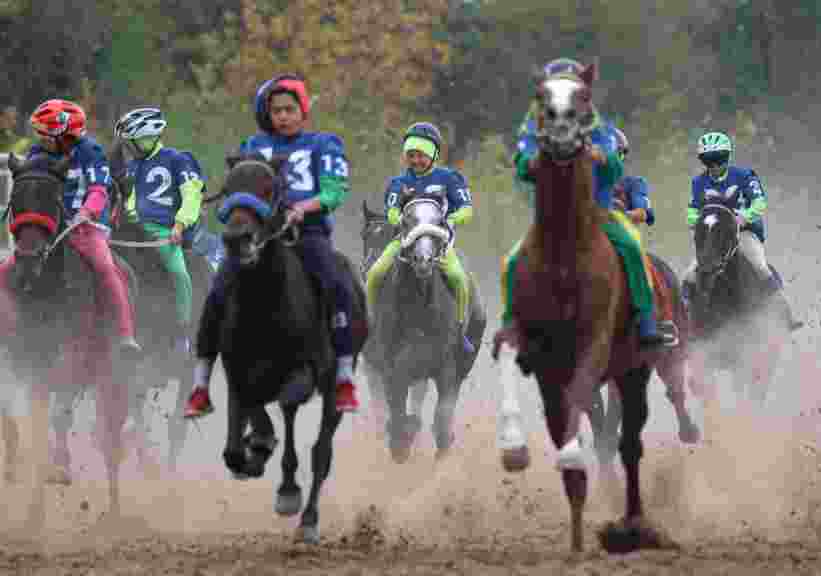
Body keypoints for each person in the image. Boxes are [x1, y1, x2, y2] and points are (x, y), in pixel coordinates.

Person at [184, 74, 358, 418]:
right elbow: (239, 187)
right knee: (218, 292)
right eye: (276, 110)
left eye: (289, 109)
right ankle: (201, 384)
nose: (282, 116)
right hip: (259, 237)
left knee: (339, 284)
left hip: (307, 233)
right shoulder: (253, 146)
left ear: (303, 111)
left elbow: (334, 191)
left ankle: (344, 378)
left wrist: (301, 209)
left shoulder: (324, 145)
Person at [500, 57, 678, 350]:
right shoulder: (534, 127)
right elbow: (521, 163)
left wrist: (602, 157)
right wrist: (530, 162)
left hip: (600, 214)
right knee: (512, 261)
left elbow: (614, 168)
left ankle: (646, 322)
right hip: (551, 218)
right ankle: (511, 324)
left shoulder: (598, 127)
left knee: (632, 249)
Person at [6, 99, 142, 354]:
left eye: (45, 133)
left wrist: (85, 212)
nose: (40, 139)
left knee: (105, 267)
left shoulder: (91, 152)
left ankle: (125, 335)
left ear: (65, 134)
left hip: (87, 227)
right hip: (49, 225)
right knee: (7, 268)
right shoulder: (38, 153)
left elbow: (99, 191)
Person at [364, 122, 475, 352]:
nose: (415, 160)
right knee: (375, 272)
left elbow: (466, 209)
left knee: (459, 278)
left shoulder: (450, 179)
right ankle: (370, 326)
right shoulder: (398, 183)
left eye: (421, 155)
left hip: (439, 242)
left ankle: (460, 330)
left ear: (434, 154)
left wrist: (452, 219)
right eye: (411, 155)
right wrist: (398, 220)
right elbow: (392, 211)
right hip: (404, 240)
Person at [683, 131, 800, 328]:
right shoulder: (698, 182)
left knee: (759, 265)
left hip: (743, 231)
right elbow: (693, 210)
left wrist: (743, 218)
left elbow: (760, 203)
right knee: (690, 272)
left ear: (726, 157)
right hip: (713, 235)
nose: (714, 165)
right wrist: (696, 221)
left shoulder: (745, 176)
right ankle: (683, 313)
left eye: (718, 159)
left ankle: (783, 310)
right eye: (708, 160)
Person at [114, 106, 204, 356]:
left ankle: (182, 335)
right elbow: (130, 204)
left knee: (178, 272)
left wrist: (179, 225)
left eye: (130, 143)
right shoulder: (132, 168)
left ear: (146, 137)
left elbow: (192, 195)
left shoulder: (178, 159)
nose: (128, 149)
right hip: (134, 231)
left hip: (166, 232)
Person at [610, 126, 655, 230]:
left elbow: (641, 214)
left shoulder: (634, 184)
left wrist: (620, 216)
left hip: (620, 234)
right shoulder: (581, 184)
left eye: (619, 156)